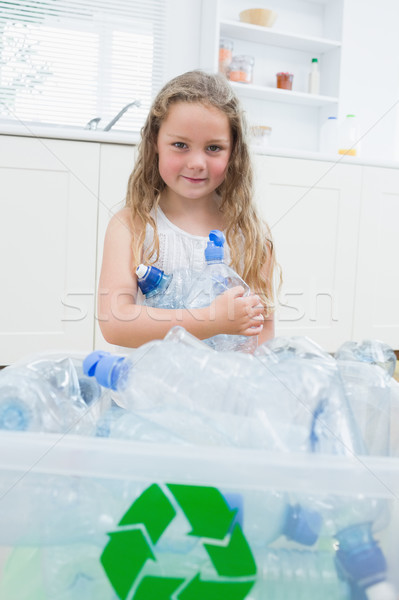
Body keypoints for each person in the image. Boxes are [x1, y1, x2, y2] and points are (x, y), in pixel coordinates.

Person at [98, 70, 279, 349]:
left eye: (214, 148)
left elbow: (262, 331)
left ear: (234, 152)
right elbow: (115, 322)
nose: (196, 162)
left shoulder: (251, 234)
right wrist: (208, 321)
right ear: (155, 143)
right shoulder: (131, 226)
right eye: (180, 145)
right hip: (150, 385)